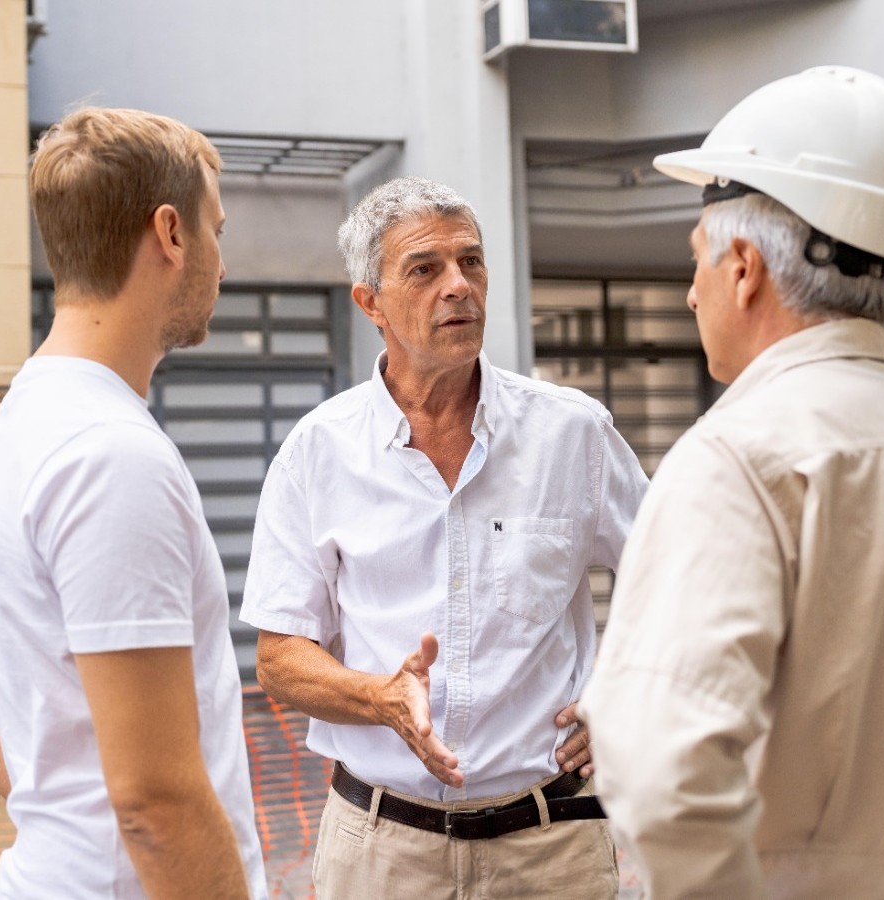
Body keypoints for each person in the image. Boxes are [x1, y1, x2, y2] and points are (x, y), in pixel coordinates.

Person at [581, 66, 884, 898]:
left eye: (697, 260)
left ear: (744, 269)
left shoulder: (738, 459)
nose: (692, 290)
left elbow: (662, 769)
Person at [241, 176, 649, 898]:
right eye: (425, 269)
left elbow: (674, 579)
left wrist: (623, 693)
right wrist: (380, 698)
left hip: (551, 848)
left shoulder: (572, 433)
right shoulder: (318, 452)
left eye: (472, 262)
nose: (459, 286)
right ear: (370, 302)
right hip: (381, 853)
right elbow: (279, 659)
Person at [0, 107, 265, 899]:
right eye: (216, 230)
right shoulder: (111, 456)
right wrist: (91, 814)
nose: (222, 263)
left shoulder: (23, 425)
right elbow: (156, 805)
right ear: (170, 233)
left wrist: (60, 807)